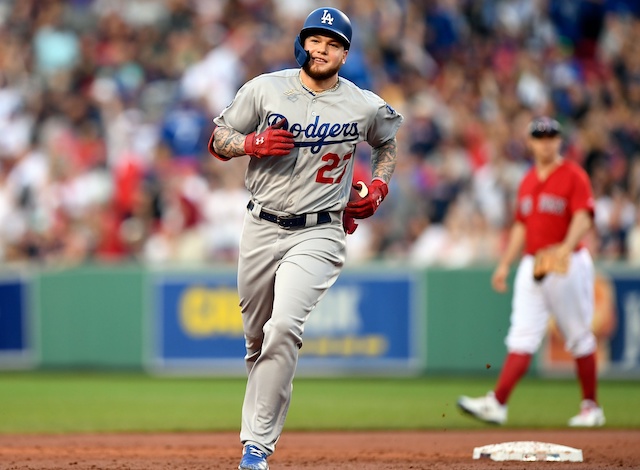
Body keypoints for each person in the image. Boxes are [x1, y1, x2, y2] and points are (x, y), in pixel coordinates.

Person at [208, 7, 403, 470]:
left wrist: (378, 187)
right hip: (260, 224)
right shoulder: (266, 88)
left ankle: (255, 449)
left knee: (283, 329)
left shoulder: (361, 103)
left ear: (345, 53)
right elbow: (218, 136)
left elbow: (387, 142)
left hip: (320, 230)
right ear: (303, 43)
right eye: (316, 40)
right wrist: (249, 145)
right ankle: (257, 437)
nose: (322, 49)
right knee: (257, 342)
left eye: (333, 44)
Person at [457, 117, 605, 427]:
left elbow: (583, 216)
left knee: (578, 336)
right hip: (531, 264)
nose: (546, 141)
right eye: (539, 136)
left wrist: (566, 246)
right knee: (521, 337)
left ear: (559, 140)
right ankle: (497, 403)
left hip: (567, 263)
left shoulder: (573, 175)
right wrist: (504, 264)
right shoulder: (527, 180)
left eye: (551, 136)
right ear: (531, 142)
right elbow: (522, 226)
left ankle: (591, 407)